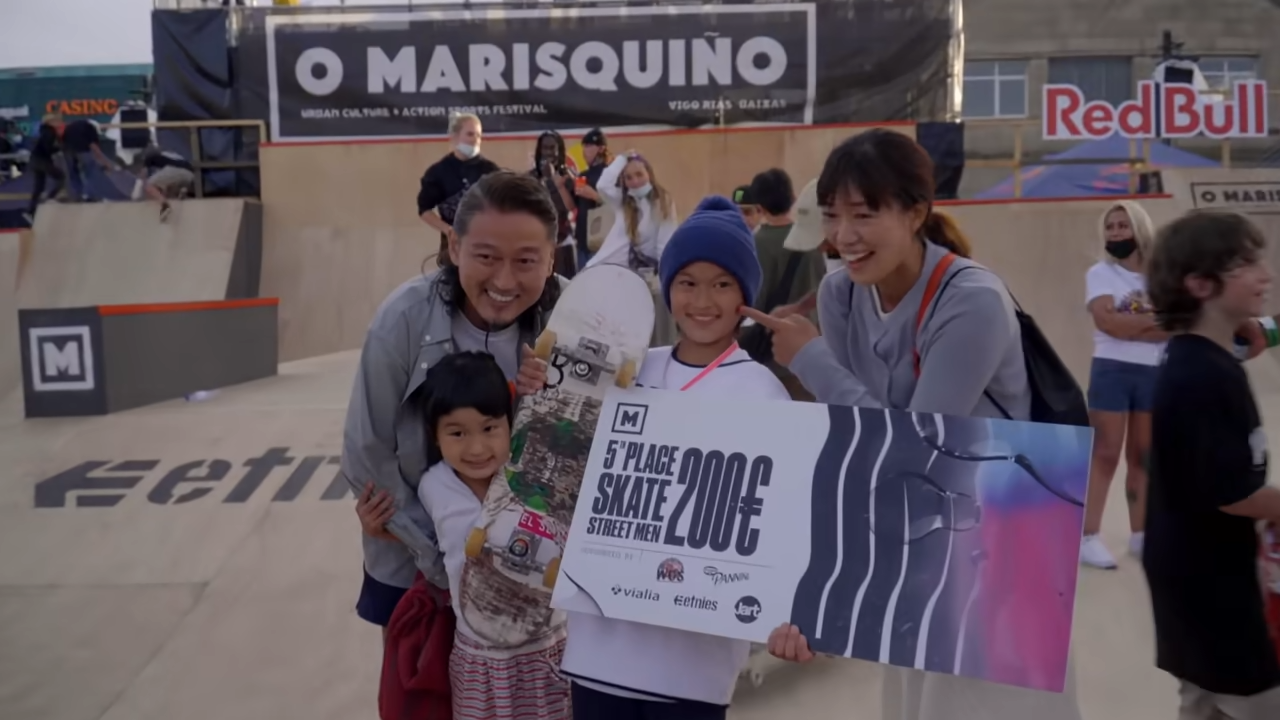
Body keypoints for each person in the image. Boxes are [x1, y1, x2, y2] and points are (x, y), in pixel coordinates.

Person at [744, 129, 1082, 720]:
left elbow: (919, 444)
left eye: (864, 214)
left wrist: (812, 360)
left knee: (992, 705)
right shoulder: (840, 295)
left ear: (917, 212)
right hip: (920, 543)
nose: (843, 236)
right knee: (917, 701)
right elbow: (858, 441)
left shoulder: (972, 300)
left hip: (1000, 540)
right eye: (832, 216)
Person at [516, 195, 790, 719]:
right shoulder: (629, 370)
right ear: (667, 291)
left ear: (745, 296)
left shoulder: (761, 392)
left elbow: (771, 527)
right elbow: (559, 446)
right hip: (599, 645)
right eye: (687, 282)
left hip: (691, 665)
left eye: (722, 283)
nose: (702, 299)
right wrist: (540, 389)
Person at [343, 171, 564, 644]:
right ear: (454, 247)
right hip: (417, 569)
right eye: (486, 257)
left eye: (526, 260)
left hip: (539, 576)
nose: (504, 280)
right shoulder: (401, 320)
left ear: (551, 258)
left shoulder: (573, 318)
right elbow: (368, 453)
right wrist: (447, 559)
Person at [1142, 209, 1280, 719]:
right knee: (1256, 698)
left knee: (1205, 702)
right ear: (1200, 284)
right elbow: (1234, 493)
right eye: (1246, 264)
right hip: (1210, 582)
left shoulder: (1201, 359)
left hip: (1189, 569)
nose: (1265, 274)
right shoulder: (1204, 376)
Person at [416, 351, 571, 720]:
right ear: (435, 437)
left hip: (548, 648)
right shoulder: (433, 486)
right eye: (457, 433)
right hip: (479, 659)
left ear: (510, 423)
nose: (477, 448)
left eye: (489, 428)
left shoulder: (533, 477)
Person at [1079, 201, 1166, 569]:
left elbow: (1178, 324)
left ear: (1139, 229)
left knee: (1143, 459)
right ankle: (1087, 536)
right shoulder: (1100, 273)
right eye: (1110, 227)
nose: (1115, 233)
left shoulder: (1163, 277)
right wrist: (1152, 323)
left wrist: (1133, 324)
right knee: (1105, 455)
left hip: (1156, 372)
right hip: (1112, 371)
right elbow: (1107, 324)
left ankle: (1140, 535)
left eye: (1122, 226)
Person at [747, 168, 827, 401]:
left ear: (759, 207)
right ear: (793, 198)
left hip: (770, 357)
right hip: (810, 353)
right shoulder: (812, 239)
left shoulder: (755, 244)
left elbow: (754, 302)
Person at [585, 150, 679, 344]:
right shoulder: (623, 202)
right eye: (629, 177)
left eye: (639, 175)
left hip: (643, 283)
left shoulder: (662, 203)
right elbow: (603, 184)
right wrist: (623, 159)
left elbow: (665, 246)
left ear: (649, 175)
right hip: (607, 273)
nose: (635, 181)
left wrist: (667, 284)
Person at [418, 112, 501, 262]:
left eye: (479, 135)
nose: (475, 140)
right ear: (455, 136)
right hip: (452, 247)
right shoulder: (439, 172)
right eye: (470, 134)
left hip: (485, 244)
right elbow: (424, 210)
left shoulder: (490, 170)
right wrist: (448, 230)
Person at [530, 130, 579, 279]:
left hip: (563, 244)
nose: (548, 152)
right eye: (545, 148)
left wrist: (553, 179)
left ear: (560, 151)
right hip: (537, 244)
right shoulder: (530, 178)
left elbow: (570, 208)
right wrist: (543, 179)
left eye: (552, 148)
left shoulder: (568, 177)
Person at [572, 128, 611, 268]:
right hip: (582, 240)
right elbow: (573, 206)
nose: (584, 151)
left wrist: (594, 195)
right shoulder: (582, 175)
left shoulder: (610, 173)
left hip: (601, 240)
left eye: (589, 146)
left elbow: (618, 205)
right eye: (584, 146)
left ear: (601, 148)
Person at [136, 145, 197, 222]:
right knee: (166, 185)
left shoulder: (148, 158)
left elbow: (142, 177)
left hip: (174, 169)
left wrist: (138, 197)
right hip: (190, 174)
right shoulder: (167, 155)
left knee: (149, 185)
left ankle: (165, 205)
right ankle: (181, 190)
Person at [22, 115, 63, 225]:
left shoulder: (42, 130)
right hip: (42, 160)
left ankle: (30, 211)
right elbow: (47, 147)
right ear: (51, 122)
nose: (60, 122)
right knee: (61, 177)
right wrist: (59, 148)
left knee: (38, 186)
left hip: (34, 160)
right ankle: (50, 197)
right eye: (58, 120)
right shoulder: (50, 131)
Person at [61, 118, 114, 202]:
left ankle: (76, 195)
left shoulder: (70, 126)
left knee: (73, 173)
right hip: (83, 151)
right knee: (90, 172)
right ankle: (89, 195)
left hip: (68, 151)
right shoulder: (90, 128)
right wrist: (105, 162)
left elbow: (62, 139)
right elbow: (94, 147)